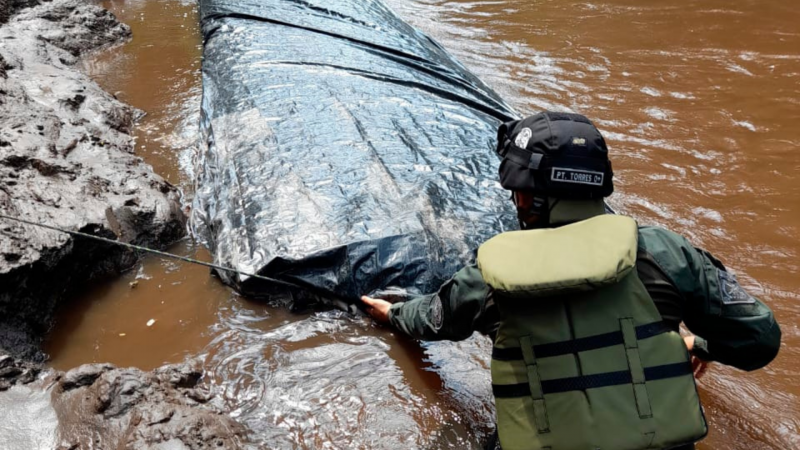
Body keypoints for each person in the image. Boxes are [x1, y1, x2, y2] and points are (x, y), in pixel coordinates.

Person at [360, 112, 781, 450]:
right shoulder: (664, 253)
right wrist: (700, 344)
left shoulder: (491, 277)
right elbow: (759, 338)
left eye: (518, 190)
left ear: (528, 197)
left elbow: (433, 318)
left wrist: (392, 312)